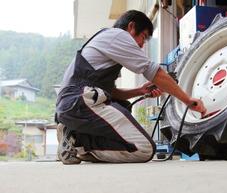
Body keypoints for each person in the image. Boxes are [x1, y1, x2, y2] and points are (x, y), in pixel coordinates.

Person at [56, 10, 206, 165]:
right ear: (131, 26)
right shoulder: (118, 35)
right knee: (144, 149)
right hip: (79, 102)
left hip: (74, 105)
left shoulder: (105, 43)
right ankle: (77, 141)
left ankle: (78, 137)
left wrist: (140, 91)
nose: (142, 45)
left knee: (122, 105)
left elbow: (112, 92)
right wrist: (187, 100)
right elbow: (153, 71)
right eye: (143, 37)